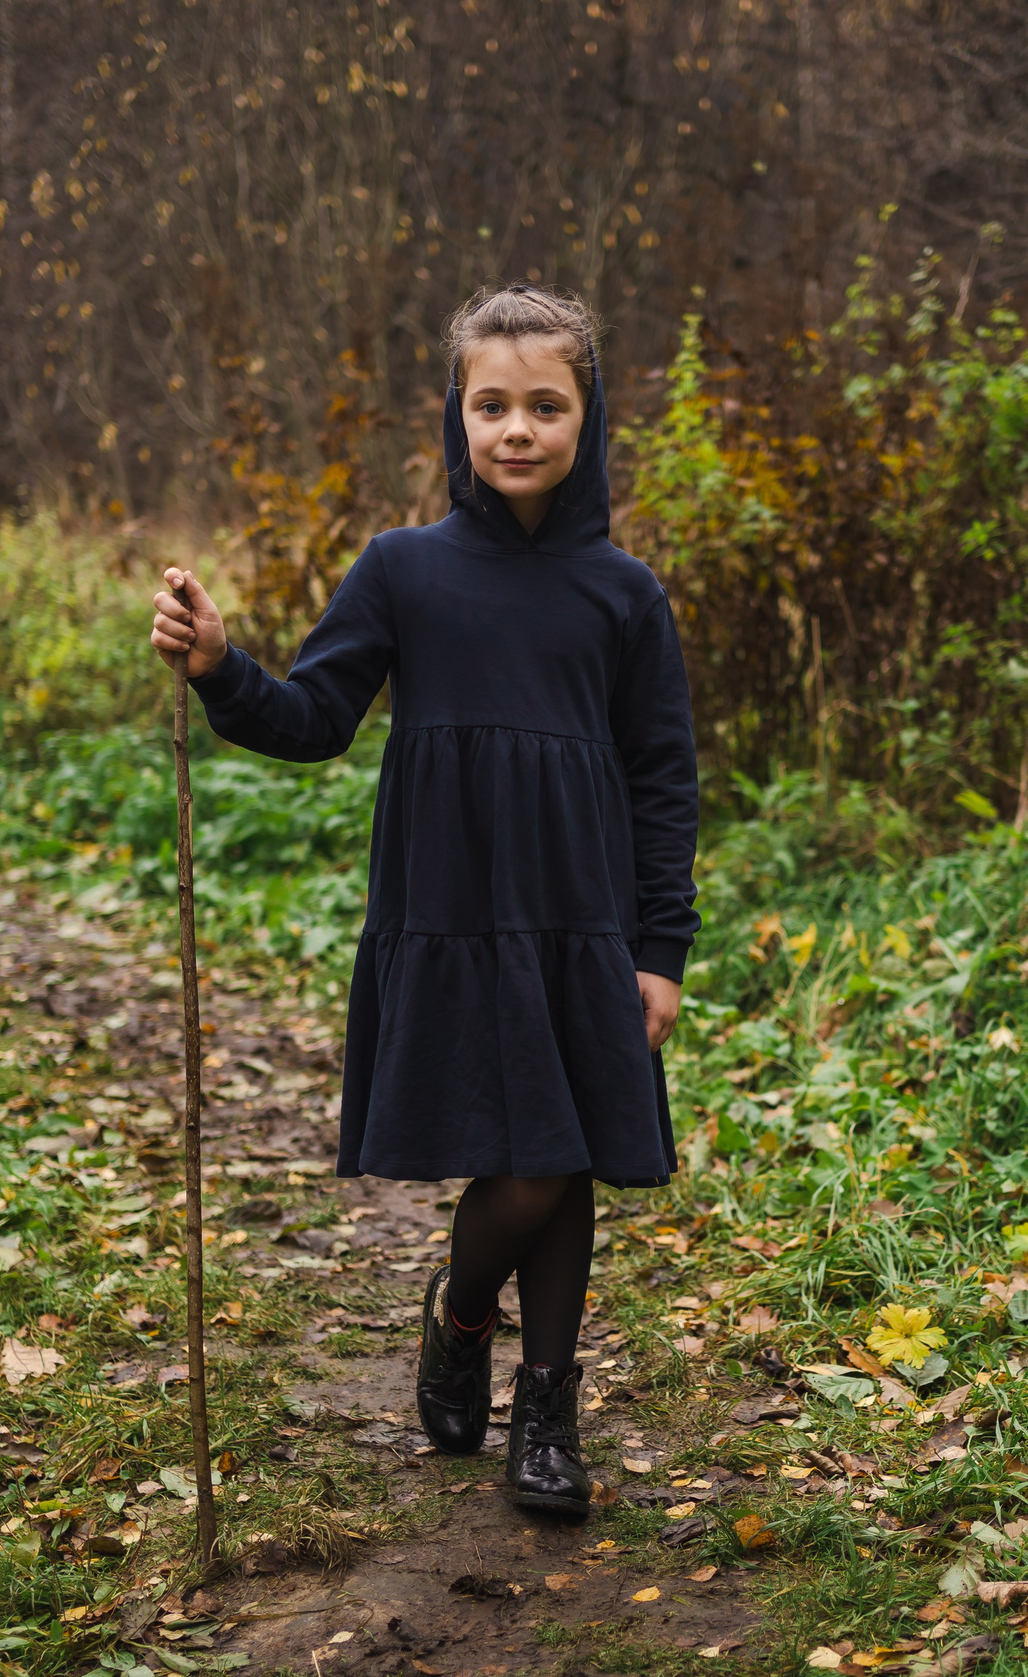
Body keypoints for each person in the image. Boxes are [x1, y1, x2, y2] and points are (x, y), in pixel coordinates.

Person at [147, 284, 699, 1519]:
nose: (516, 429)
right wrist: (224, 668)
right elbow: (315, 719)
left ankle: (542, 1412)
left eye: (544, 406)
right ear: (455, 415)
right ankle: (462, 1314)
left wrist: (658, 948)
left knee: (564, 1159)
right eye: (490, 404)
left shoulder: (624, 594)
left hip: (579, 918)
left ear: (586, 415)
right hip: (450, 909)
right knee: (533, 1164)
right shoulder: (403, 570)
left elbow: (664, 779)